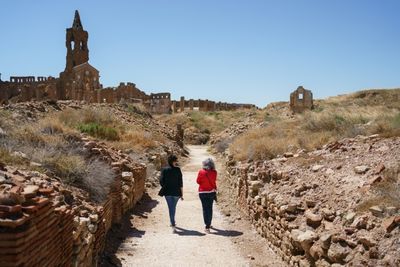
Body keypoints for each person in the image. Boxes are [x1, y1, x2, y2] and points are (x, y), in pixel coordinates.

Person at [160, 154, 183, 232]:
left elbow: (161, 181)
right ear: (173, 161)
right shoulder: (178, 170)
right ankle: (173, 223)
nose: (176, 162)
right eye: (176, 160)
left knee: (170, 207)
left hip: (167, 192)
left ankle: (172, 222)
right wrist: (182, 194)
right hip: (176, 192)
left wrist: (165, 186)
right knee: (173, 207)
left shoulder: (164, 170)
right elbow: (181, 183)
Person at [196, 158, 217, 233]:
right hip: (211, 192)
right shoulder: (214, 172)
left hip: (202, 192)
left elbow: (198, 181)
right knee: (210, 208)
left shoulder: (201, 172)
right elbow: (214, 181)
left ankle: (207, 226)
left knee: (205, 209)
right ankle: (209, 223)